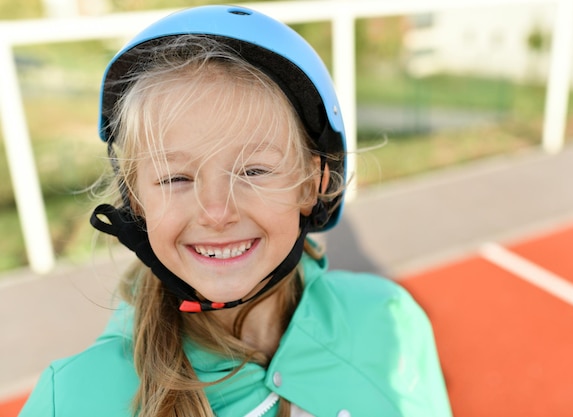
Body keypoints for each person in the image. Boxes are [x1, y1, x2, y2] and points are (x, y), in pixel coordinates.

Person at [19, 5, 452, 417]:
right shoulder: (74, 398)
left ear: (313, 184)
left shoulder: (392, 323)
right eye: (176, 178)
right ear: (136, 200)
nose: (216, 211)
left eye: (253, 171)